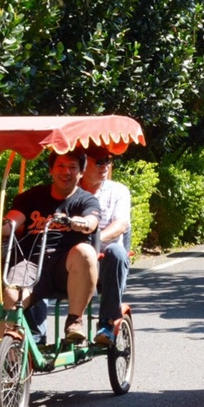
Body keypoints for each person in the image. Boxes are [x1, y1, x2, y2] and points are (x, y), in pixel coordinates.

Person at [0, 149, 100, 344]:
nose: (66, 172)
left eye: (72, 167)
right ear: (51, 170)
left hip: (66, 268)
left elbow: (91, 222)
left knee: (85, 251)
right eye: (60, 166)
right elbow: (13, 222)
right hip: (32, 263)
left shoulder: (86, 200)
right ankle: (7, 351)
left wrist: (78, 222)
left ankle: (74, 321)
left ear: (81, 172)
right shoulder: (32, 197)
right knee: (9, 294)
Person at [80, 145, 132, 347]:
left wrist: (95, 242)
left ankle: (107, 323)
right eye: (99, 161)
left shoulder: (118, 190)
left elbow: (121, 224)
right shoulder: (72, 189)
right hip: (73, 258)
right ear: (84, 163)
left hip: (104, 259)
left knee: (116, 252)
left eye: (108, 160)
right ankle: (33, 335)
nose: (105, 166)